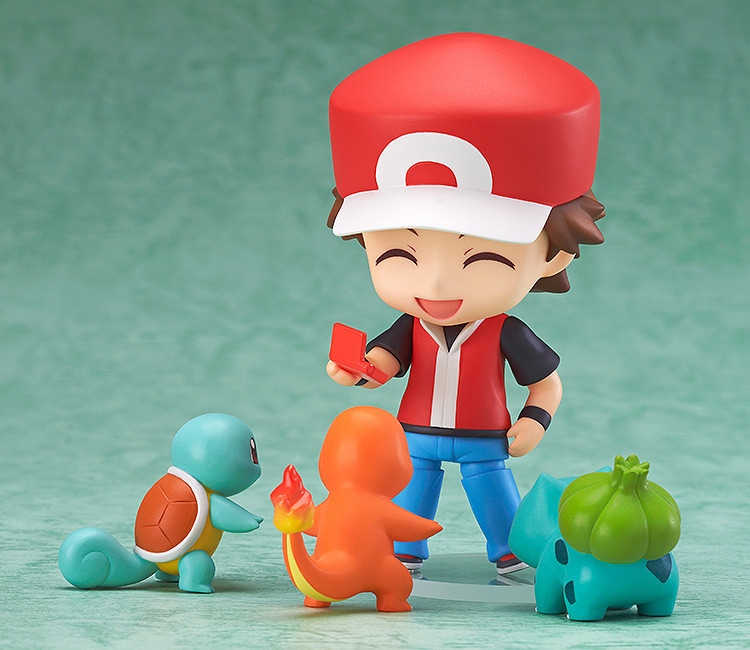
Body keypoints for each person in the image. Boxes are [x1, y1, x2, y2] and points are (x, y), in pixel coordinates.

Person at [325, 33, 605, 574]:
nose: (434, 282)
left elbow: (546, 383)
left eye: (482, 258)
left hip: (483, 435)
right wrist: (355, 372)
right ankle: (404, 550)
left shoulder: (506, 332)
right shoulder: (410, 326)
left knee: (492, 487)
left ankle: (512, 551)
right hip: (415, 433)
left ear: (555, 255)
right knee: (411, 487)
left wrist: (534, 422)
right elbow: (384, 364)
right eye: (399, 254)